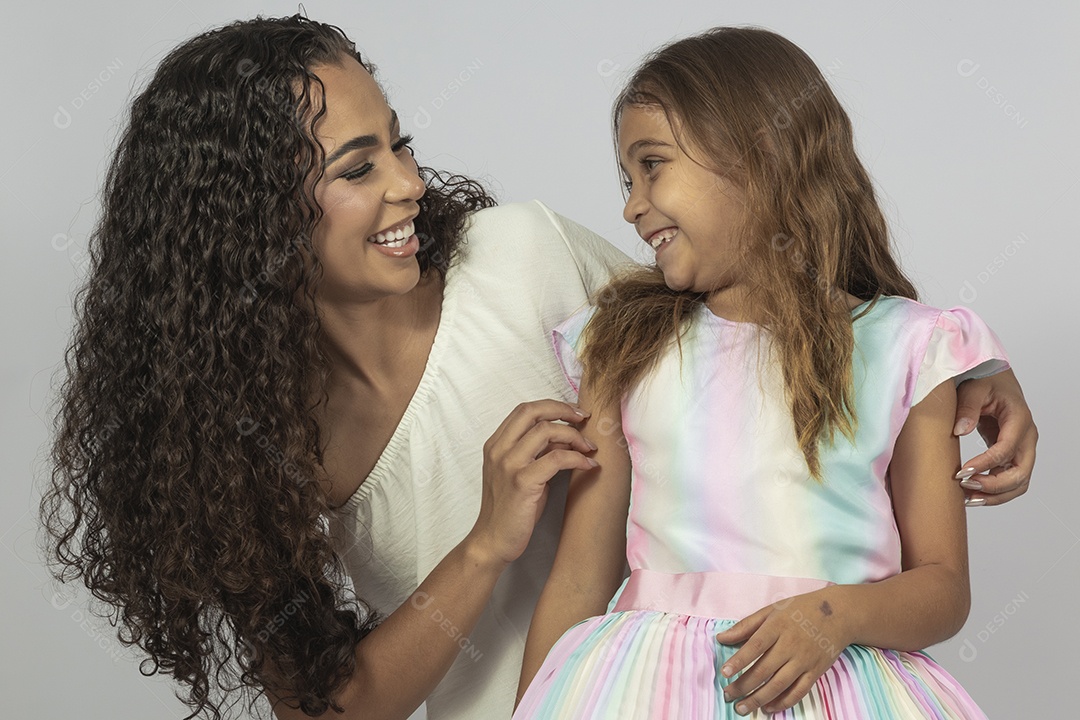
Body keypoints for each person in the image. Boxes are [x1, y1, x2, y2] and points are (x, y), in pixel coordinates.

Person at [40, 15, 1035, 720]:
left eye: (399, 144)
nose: (409, 183)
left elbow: (748, 314)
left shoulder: (522, 258)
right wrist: (486, 544)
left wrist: (960, 362)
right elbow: (330, 709)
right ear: (251, 215)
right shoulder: (251, 448)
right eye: (356, 167)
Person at [515, 27, 1008, 719]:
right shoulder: (626, 349)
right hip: (647, 692)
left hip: (840, 690)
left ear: (760, 154)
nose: (631, 204)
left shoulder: (908, 349)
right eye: (628, 179)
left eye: (652, 166)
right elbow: (577, 580)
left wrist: (833, 616)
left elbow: (944, 590)